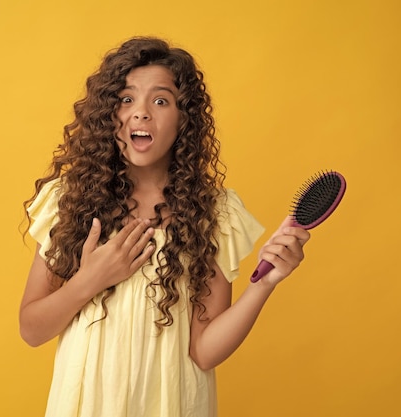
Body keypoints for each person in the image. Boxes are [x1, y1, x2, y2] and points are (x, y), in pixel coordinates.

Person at [19, 37, 310, 417]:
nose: (141, 113)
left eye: (160, 100)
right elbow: (32, 330)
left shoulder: (214, 214)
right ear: (108, 113)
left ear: (183, 117)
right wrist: (90, 280)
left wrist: (264, 285)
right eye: (126, 99)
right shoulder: (70, 201)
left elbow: (204, 352)